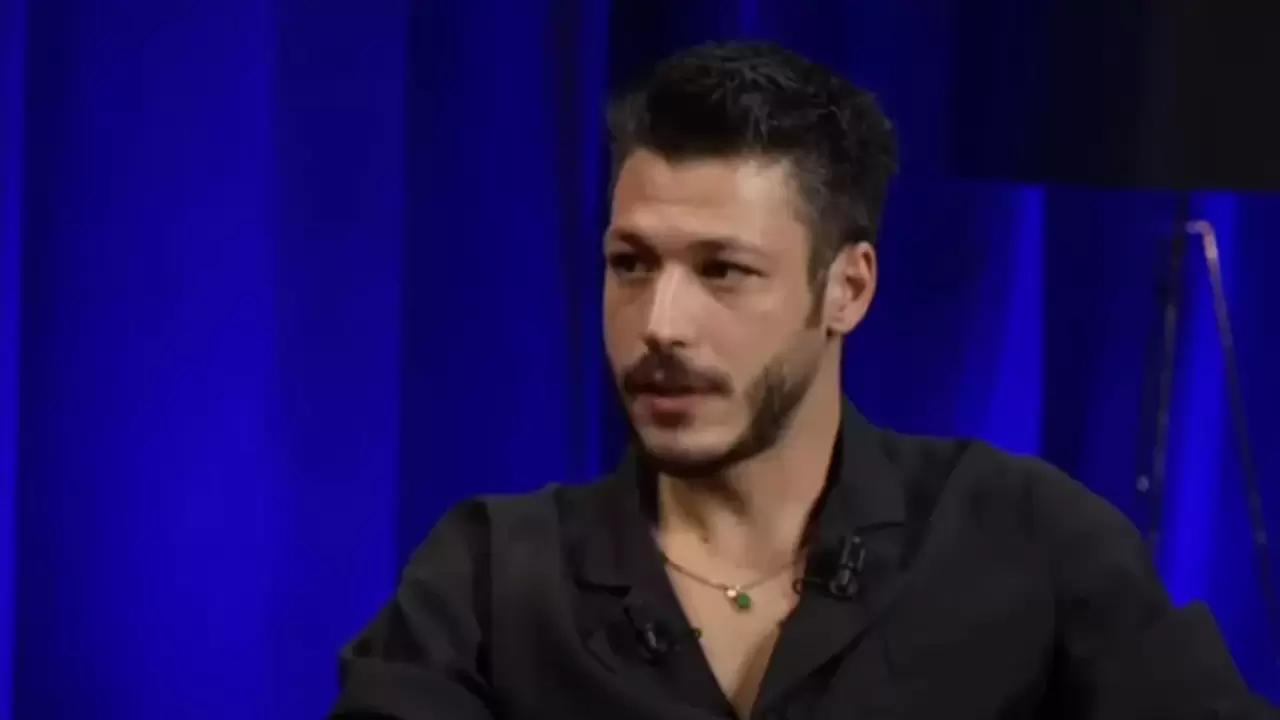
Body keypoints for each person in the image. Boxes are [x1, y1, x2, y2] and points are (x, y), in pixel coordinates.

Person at [329, 41, 1274, 719]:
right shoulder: (490, 578)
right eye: (631, 264)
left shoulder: (1028, 541)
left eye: (723, 271)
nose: (660, 324)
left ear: (847, 289)